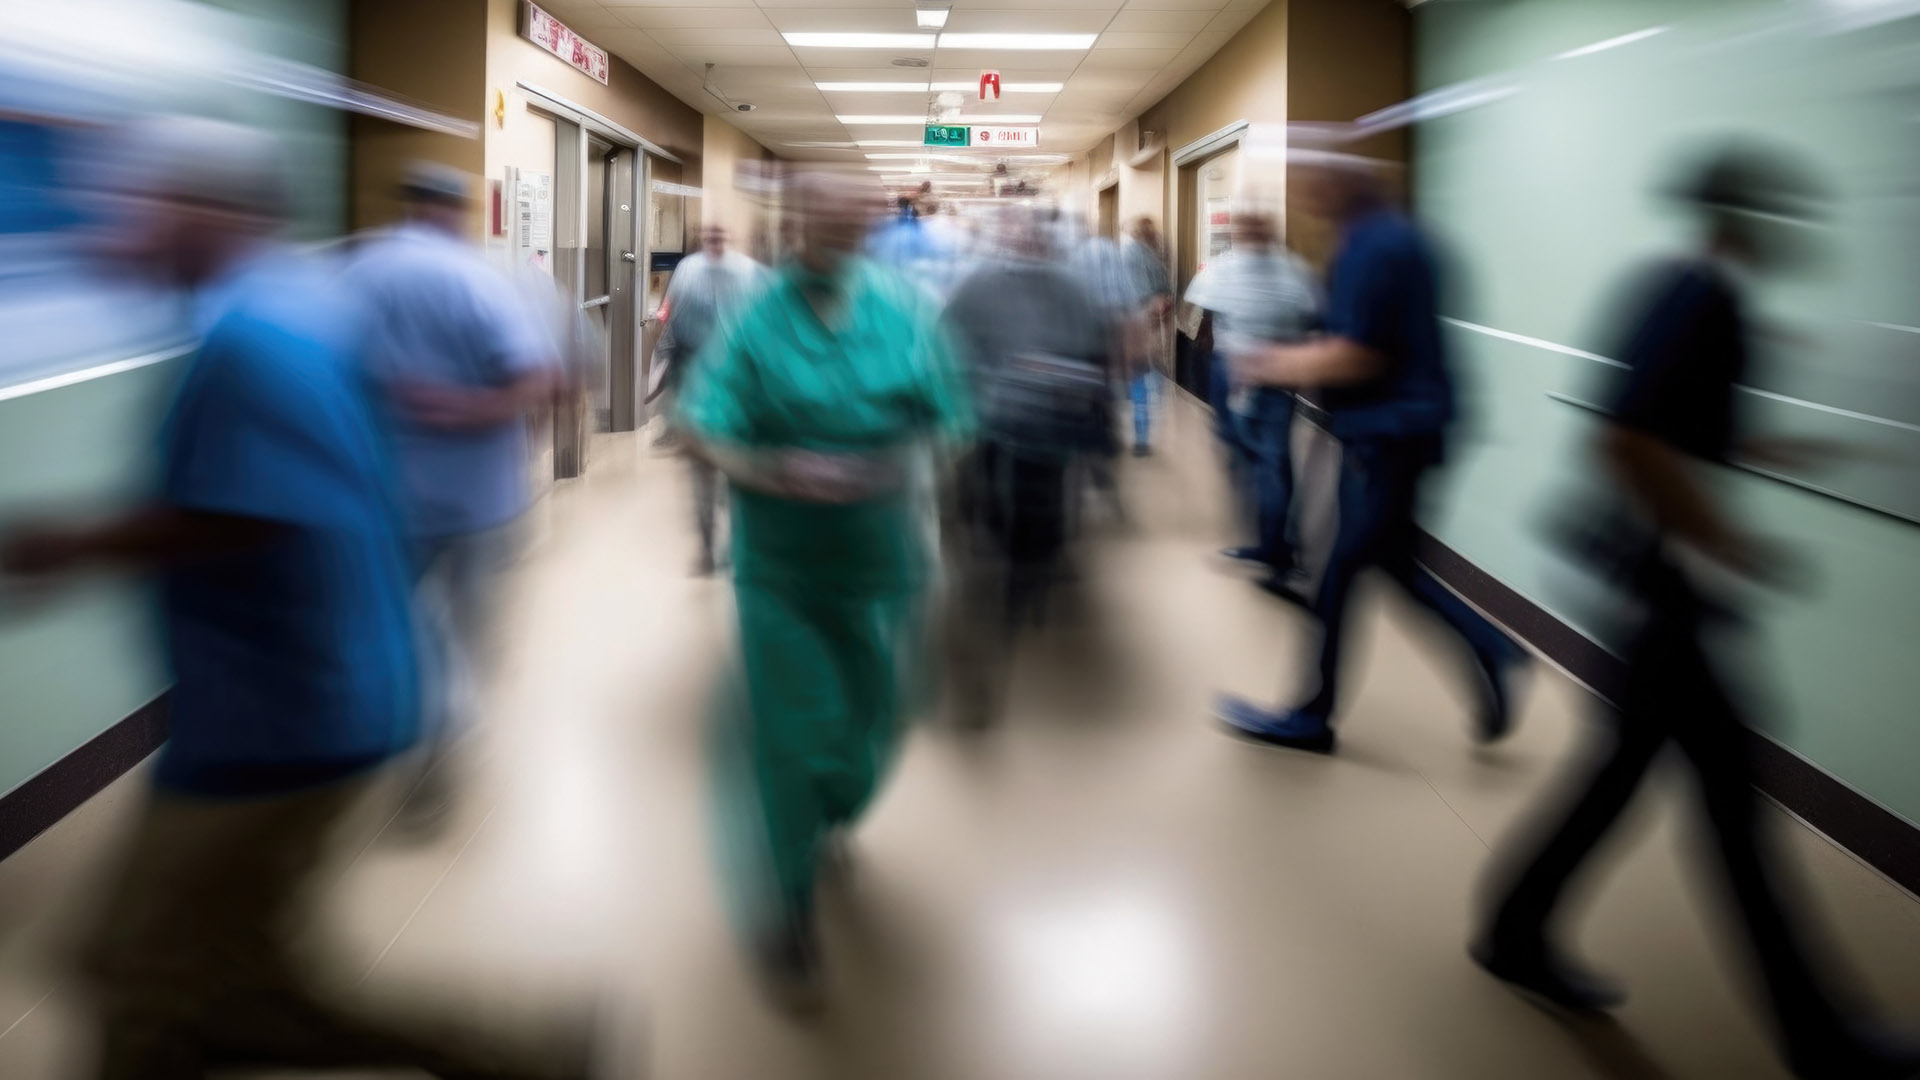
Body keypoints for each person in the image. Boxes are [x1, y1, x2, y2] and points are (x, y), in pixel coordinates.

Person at [0, 117, 588, 1079]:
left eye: (136, 202)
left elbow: (249, 513)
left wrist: (76, 541)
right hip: (303, 695)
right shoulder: (298, 301)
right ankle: (505, 1053)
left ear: (208, 209)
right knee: (184, 975)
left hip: (290, 716)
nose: (116, 224)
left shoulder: (250, 337)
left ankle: (506, 1052)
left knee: (146, 979)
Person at [1474, 143, 1919, 1080]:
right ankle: (1822, 1039)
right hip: (1669, 592)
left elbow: (1669, 426)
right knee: (1730, 810)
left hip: (1656, 589)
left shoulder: (1678, 287)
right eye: (1780, 216)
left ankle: (1515, 929)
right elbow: (1629, 442)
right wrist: (1730, 544)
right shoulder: (1702, 295)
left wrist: (1786, 451)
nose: (1792, 233)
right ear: (1744, 217)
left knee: (1632, 773)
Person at [675, 168, 973, 998]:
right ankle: (786, 907)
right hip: (783, 568)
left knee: (875, 719)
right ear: (797, 221)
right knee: (794, 729)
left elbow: (952, 417)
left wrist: (912, 461)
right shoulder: (756, 317)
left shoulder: (904, 313)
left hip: (881, 564)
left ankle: (836, 807)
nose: (839, 236)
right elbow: (700, 425)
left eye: (854, 223)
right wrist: (771, 470)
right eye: (823, 220)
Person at [1216, 154, 1524, 753]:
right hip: (1399, 432)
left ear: (1338, 185)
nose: (1302, 196)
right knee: (1387, 564)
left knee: (1342, 574)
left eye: (1309, 184)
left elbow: (1359, 354)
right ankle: (1491, 650)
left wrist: (1266, 363)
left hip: (1391, 436)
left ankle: (1313, 715)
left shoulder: (1372, 247)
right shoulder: (1395, 237)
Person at [344, 162, 560, 836]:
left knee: (397, 623)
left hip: (384, 494)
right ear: (459, 210)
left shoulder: (355, 271)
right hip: (478, 500)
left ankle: (402, 734)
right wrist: (467, 409)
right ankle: (439, 753)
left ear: (408, 206)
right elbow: (534, 377)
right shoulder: (476, 279)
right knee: (466, 632)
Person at [942, 206, 1113, 724]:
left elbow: (1094, 350)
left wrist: (1070, 380)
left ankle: (1029, 575)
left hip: (1049, 425)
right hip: (990, 422)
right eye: (1014, 234)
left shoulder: (1071, 287)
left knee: (1039, 509)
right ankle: (1007, 567)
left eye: (1032, 235)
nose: (1024, 243)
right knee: (994, 504)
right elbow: (948, 342)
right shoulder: (976, 285)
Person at [1181, 204, 1321, 597]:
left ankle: (1274, 550)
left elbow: (1203, 318)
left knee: (1264, 462)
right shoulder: (1294, 269)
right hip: (1274, 374)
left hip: (1251, 372)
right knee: (1266, 459)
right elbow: (1313, 316)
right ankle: (1273, 540)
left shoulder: (1229, 267)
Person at [652, 223, 767, 575]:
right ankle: (706, 547)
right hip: (696, 383)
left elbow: (768, 325)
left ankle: (736, 543)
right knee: (702, 471)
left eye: (720, 236)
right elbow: (669, 315)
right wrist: (662, 361)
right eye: (710, 237)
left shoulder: (749, 273)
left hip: (739, 387)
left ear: (729, 239)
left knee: (735, 474)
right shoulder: (688, 271)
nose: (715, 242)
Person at [1121, 217, 1174, 456]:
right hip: (1149, 323)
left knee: (1138, 376)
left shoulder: (1127, 253)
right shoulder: (1151, 257)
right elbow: (1164, 291)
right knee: (1148, 373)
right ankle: (1143, 431)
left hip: (1131, 322)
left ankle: (1140, 428)